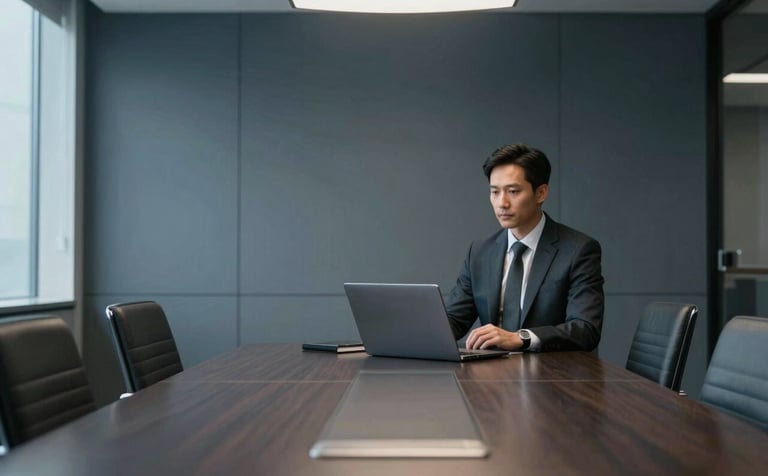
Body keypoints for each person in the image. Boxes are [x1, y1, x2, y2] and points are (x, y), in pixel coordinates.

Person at [445, 143, 604, 352]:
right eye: (494, 192)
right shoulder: (480, 252)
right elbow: (454, 319)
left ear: (541, 193)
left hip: (553, 376)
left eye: (513, 191)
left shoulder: (578, 250)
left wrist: (522, 338)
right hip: (490, 376)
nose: (502, 203)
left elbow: (586, 328)